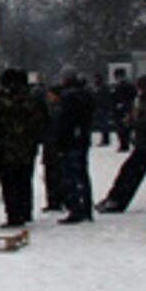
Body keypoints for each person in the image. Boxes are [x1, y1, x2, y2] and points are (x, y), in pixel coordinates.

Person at [97, 75, 146, 213]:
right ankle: (113, 197)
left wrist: (133, 123)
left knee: (131, 173)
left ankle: (118, 200)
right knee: (128, 171)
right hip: (145, 142)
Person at [0, 69, 48, 228]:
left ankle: (13, 214)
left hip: (6, 147)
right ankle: (25, 210)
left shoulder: (0, 100)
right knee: (24, 179)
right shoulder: (33, 99)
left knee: (9, 182)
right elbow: (42, 121)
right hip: (27, 146)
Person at [55, 68, 95, 224]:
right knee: (82, 175)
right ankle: (85, 207)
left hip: (70, 141)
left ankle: (76, 209)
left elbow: (63, 121)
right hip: (81, 139)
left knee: (70, 176)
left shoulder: (67, 98)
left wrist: (59, 140)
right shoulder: (85, 95)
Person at [110, 68, 137, 152]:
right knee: (123, 127)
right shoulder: (125, 86)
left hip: (123, 109)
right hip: (122, 109)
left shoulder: (123, 86)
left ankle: (124, 144)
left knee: (123, 127)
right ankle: (124, 143)